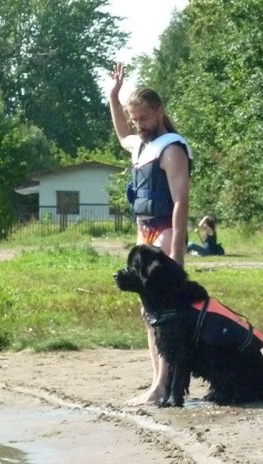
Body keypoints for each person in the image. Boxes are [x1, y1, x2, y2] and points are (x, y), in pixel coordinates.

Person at [108, 63, 191, 406]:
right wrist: (114, 95)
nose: (138, 125)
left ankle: (163, 387)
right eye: (135, 119)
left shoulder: (171, 148)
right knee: (148, 313)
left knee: (166, 313)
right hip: (144, 233)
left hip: (165, 233)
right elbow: (121, 134)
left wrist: (177, 255)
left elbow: (180, 201)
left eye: (143, 118)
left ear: (158, 112)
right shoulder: (141, 146)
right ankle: (156, 383)